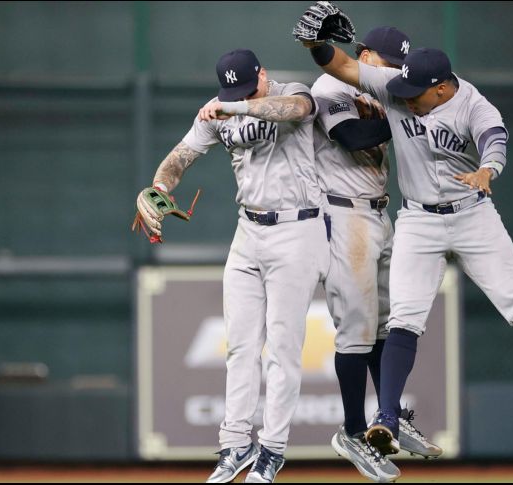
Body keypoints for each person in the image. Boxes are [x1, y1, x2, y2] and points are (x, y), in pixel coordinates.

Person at [299, 11, 513, 457]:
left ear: (442, 88)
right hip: (419, 220)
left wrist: (488, 169)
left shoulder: (473, 105)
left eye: (415, 93)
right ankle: (386, 418)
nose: (403, 98)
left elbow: (495, 139)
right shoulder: (398, 87)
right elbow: (343, 66)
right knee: (403, 318)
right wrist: (314, 45)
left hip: (472, 214)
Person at [136, 48, 328, 484]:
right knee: (240, 346)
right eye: (231, 90)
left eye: (246, 86)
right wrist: (159, 186)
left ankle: (272, 449)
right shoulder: (218, 109)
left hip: (297, 229)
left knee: (282, 349)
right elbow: (180, 157)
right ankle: (235, 443)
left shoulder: (291, 91)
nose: (237, 95)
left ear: (262, 74)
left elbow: (297, 109)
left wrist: (235, 105)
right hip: (249, 231)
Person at [309, 26, 441, 482]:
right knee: (357, 330)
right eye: (386, 62)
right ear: (363, 54)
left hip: (380, 212)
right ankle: (351, 431)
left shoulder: (380, 90)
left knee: (388, 323)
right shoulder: (329, 86)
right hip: (342, 215)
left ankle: (388, 413)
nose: (391, 72)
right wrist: (403, 114)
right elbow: (352, 137)